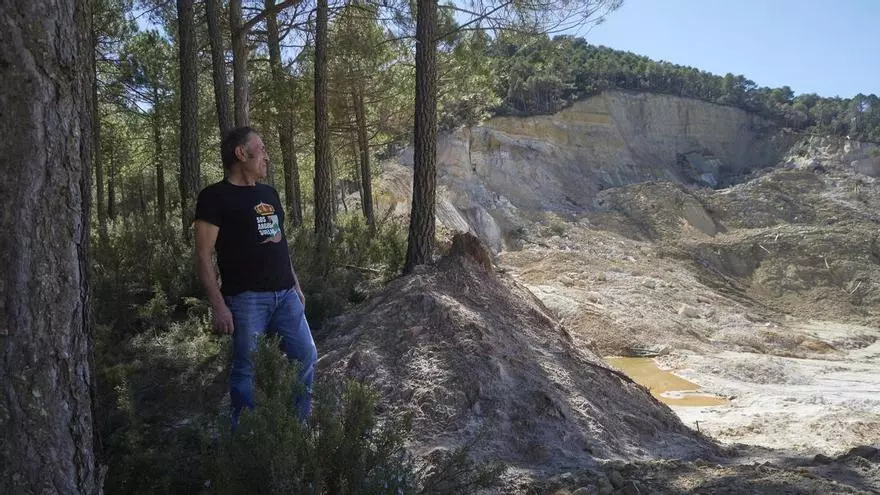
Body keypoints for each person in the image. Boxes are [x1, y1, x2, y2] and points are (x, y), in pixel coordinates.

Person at [194, 126, 317, 426]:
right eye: (260, 149)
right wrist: (219, 306)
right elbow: (202, 256)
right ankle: (247, 438)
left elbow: (280, 243)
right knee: (246, 370)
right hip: (246, 300)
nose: (267, 156)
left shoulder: (269, 194)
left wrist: (296, 285)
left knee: (306, 356)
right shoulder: (214, 197)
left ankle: (295, 429)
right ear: (241, 153)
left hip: (285, 295)